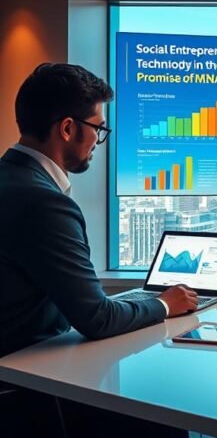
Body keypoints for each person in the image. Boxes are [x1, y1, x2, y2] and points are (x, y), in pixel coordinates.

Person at [0, 63, 196, 437]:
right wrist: (165, 304)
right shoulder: (43, 202)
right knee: (166, 416)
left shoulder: (10, 179)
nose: (97, 140)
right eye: (98, 129)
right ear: (68, 128)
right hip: (29, 389)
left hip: (24, 369)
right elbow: (97, 319)